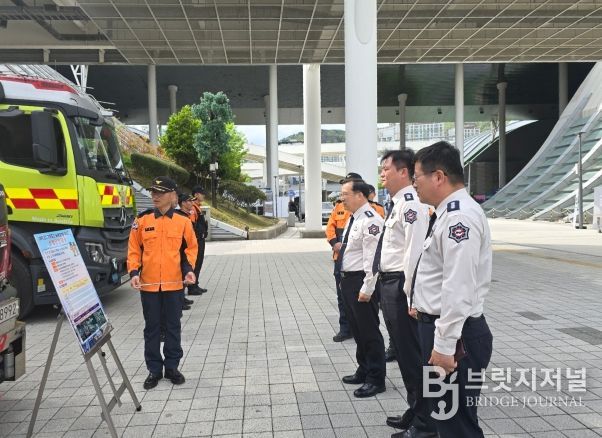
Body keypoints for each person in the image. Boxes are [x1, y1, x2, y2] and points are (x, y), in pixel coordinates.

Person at [411, 141, 493, 438]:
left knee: (457, 424)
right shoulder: (446, 212)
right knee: (445, 417)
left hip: (456, 338)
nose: (414, 185)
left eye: (416, 177)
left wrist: (445, 347)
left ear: (438, 177)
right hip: (442, 330)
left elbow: (459, 287)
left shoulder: (459, 216)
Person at [375, 150, 437, 438]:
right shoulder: (398, 203)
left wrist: (412, 297)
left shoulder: (411, 204)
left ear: (403, 171)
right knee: (403, 354)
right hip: (390, 284)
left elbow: (413, 255)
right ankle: (415, 411)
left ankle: (426, 423)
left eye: (386, 168)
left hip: (401, 286)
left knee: (412, 356)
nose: (382, 174)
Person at [127, 176, 198, 390]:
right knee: (152, 328)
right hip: (149, 286)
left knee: (173, 327)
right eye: (153, 192)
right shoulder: (142, 220)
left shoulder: (183, 221)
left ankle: (172, 367)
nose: (155, 196)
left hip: (174, 285)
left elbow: (190, 249)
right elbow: (134, 249)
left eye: (160, 192)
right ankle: (154, 370)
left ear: (172, 195)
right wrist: (133, 272)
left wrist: (189, 271)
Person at [338, 178, 386, 398]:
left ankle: (376, 378)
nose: (342, 199)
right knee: (357, 330)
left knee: (368, 331)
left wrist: (368, 287)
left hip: (362, 281)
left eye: (345, 195)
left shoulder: (371, 220)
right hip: (349, 280)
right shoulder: (354, 217)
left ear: (359, 195)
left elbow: (372, 259)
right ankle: (364, 369)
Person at [325, 172, 363, 342]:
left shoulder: (370, 209)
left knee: (361, 298)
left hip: (359, 262)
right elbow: (330, 227)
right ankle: (345, 329)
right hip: (339, 259)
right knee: (342, 297)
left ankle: (360, 329)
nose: (343, 192)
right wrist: (334, 243)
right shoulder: (339, 206)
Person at [177, 193, 199, 309]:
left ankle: (182, 298)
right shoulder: (179, 216)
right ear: (183, 203)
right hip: (183, 250)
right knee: (181, 275)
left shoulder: (187, 214)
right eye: (189, 201)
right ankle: (179, 300)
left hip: (190, 246)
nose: (192, 203)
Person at [188, 186, 209, 295]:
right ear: (196, 194)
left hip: (200, 239)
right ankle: (192, 287)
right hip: (196, 240)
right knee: (195, 263)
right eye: (201, 193)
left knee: (199, 262)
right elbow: (191, 225)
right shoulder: (192, 208)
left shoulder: (197, 207)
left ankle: (195, 284)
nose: (203, 195)